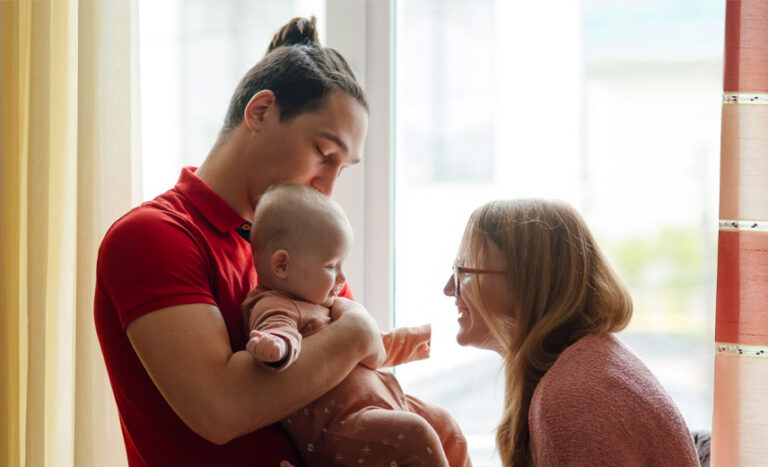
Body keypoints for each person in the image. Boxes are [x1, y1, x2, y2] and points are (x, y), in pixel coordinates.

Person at [94, 17, 386, 466]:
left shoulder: (304, 245)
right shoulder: (153, 236)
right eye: (324, 154)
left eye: (342, 169)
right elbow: (221, 409)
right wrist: (358, 332)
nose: (326, 187)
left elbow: (357, 384)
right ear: (261, 111)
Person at [443, 199, 700, 467]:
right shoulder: (589, 364)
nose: (449, 288)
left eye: (464, 270)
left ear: (526, 281)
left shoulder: (573, 401)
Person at [243, 182, 471, 467]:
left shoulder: (323, 302)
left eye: (342, 265)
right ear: (282, 266)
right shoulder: (274, 304)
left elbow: (368, 345)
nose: (341, 278)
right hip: (343, 428)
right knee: (416, 434)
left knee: (444, 423)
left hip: (385, 402)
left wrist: (415, 342)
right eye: (330, 266)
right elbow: (278, 328)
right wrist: (276, 345)